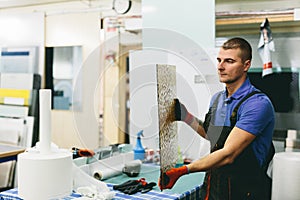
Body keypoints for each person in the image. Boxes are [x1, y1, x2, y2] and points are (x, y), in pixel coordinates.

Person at [159, 37, 275, 200]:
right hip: (214, 187)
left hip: (245, 191)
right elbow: (210, 135)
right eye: (219, 60)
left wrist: (183, 170)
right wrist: (186, 116)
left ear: (246, 65)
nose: (220, 67)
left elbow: (228, 154)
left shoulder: (257, 104)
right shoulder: (217, 99)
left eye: (229, 61)